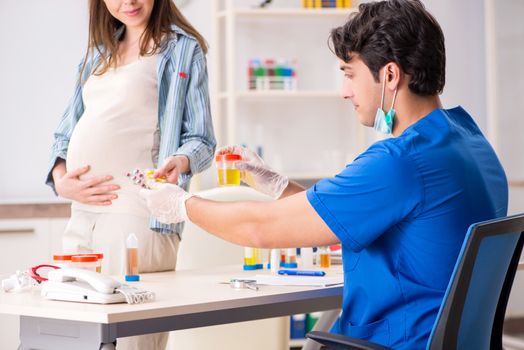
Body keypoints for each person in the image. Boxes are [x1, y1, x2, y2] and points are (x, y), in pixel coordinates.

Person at [140, 0, 508, 349]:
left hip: (392, 342)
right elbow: (345, 212)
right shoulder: (469, 142)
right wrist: (278, 185)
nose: (345, 91)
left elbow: (260, 229)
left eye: (350, 74)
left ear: (390, 75)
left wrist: (181, 204)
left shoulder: (399, 162)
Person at [45, 0, 215, 348]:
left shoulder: (181, 49)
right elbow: (65, 133)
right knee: (76, 333)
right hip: (82, 212)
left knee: (133, 338)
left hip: (136, 212)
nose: (129, 2)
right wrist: (62, 181)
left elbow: (202, 139)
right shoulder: (98, 53)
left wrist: (180, 162)